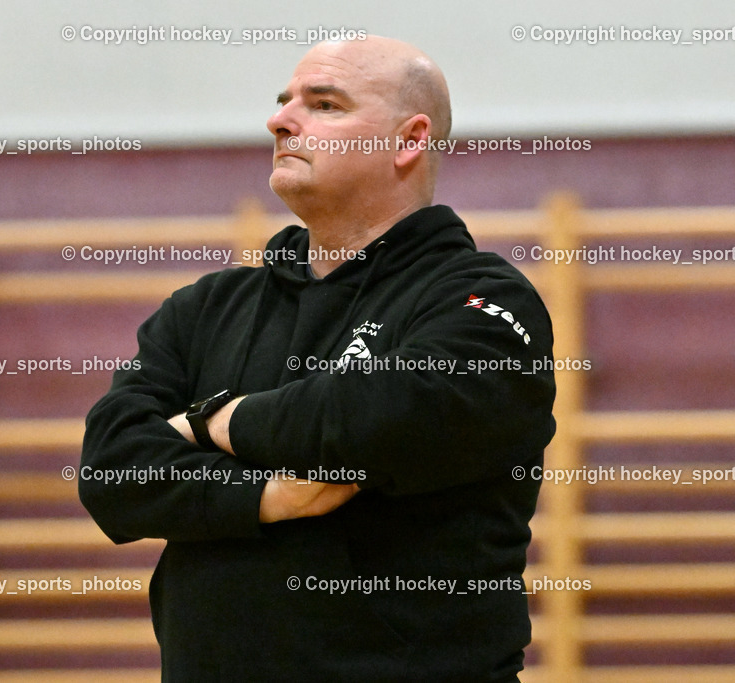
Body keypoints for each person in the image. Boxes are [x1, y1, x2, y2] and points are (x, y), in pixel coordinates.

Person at [80, 36, 555, 682]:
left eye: (325, 104)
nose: (281, 121)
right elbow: (111, 468)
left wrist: (208, 421)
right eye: (283, 103)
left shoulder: (483, 300)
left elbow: (372, 419)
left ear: (409, 140)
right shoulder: (207, 308)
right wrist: (265, 496)